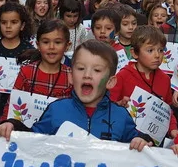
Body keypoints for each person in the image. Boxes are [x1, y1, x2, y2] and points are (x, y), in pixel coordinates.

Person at [21, 40, 150, 153]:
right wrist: (14, 126)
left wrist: (142, 142)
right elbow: (28, 142)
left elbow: (141, 150)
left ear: (110, 82)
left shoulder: (121, 116)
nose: (87, 75)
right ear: (71, 76)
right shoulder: (56, 110)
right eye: (81, 68)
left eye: (97, 70)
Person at [0, 19, 73, 135]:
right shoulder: (26, 72)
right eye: (46, 42)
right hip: (25, 136)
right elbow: (11, 106)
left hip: (57, 137)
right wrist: (5, 124)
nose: (51, 47)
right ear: (38, 45)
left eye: (57, 42)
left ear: (67, 46)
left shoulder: (71, 76)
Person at [110, 25, 178, 141]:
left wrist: (173, 129)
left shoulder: (165, 79)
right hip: (127, 139)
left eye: (161, 50)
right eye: (150, 50)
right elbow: (108, 106)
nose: (157, 55)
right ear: (134, 53)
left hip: (155, 141)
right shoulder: (122, 76)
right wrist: (119, 104)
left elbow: (166, 111)